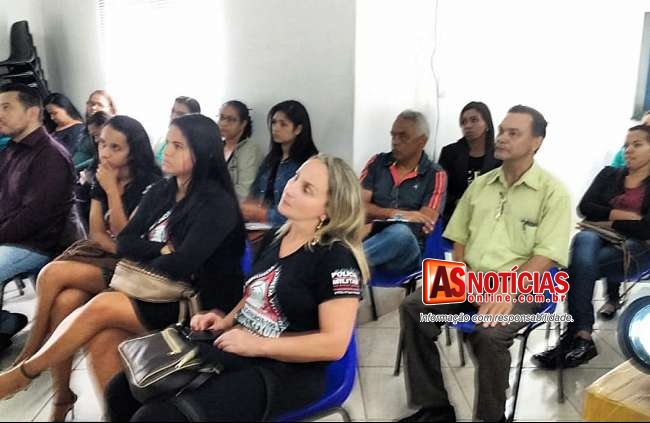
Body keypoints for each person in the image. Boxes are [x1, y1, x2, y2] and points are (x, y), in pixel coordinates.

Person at [0, 114, 246, 419]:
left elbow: (181, 265)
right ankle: (111, 414)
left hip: (198, 305)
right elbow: (125, 241)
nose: (167, 151)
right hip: (153, 289)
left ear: (204, 152)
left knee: (102, 304)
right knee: (100, 336)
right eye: (168, 143)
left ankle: (25, 372)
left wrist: (153, 255)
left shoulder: (216, 203)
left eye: (178, 146)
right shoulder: (163, 191)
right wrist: (160, 251)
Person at [104, 153, 369, 422]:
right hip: (244, 345)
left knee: (158, 417)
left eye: (307, 189)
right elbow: (256, 293)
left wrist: (259, 345)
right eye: (296, 177)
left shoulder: (335, 258)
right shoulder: (276, 237)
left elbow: (334, 344)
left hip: (287, 370)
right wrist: (225, 320)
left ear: (328, 210)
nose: (291, 187)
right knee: (120, 391)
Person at [398, 105, 571, 422]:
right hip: (471, 277)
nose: (502, 137)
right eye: (502, 130)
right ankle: (435, 408)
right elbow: (459, 238)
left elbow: (545, 255)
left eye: (513, 133)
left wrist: (507, 292)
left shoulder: (553, 193)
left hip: (524, 285)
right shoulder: (480, 185)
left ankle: (492, 417)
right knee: (413, 307)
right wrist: (462, 277)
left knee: (489, 333)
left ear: (536, 142)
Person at [10, 115, 161, 420]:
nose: (105, 152)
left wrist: (113, 192)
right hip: (106, 257)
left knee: (52, 273)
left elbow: (128, 240)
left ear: (133, 151)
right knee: (64, 302)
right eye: (102, 144)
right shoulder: (100, 175)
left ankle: (30, 355)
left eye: (115, 147)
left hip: (135, 268)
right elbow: (96, 235)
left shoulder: (151, 184)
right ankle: (62, 396)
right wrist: (112, 233)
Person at [532, 124, 650, 370]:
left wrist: (607, 218)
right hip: (598, 237)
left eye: (637, 144)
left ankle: (578, 335)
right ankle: (581, 337)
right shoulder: (609, 174)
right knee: (584, 240)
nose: (628, 150)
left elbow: (646, 229)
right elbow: (585, 207)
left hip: (636, 250)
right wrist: (625, 217)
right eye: (626, 145)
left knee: (578, 267)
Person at [0, 82, 76, 296]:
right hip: (10, 237)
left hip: (34, 244)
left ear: (32, 112)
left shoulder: (50, 156)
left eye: (6, 107)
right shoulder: (11, 150)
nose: (0, 114)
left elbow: (35, 217)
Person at [360, 110, 447, 275]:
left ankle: (346, 264)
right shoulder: (377, 163)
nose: (395, 142)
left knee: (401, 233)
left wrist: (374, 224)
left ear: (422, 141)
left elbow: (422, 224)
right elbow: (358, 207)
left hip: (406, 251)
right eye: (393, 135)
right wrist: (396, 214)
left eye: (403, 137)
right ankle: (348, 265)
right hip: (369, 240)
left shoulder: (435, 175)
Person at [242, 100, 318, 225]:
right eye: (273, 122)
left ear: (298, 129)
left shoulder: (308, 164)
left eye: (283, 124)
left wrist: (264, 214)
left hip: (287, 228)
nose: (275, 128)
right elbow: (254, 194)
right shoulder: (270, 160)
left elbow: (303, 211)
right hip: (258, 226)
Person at [438, 101, 501, 225]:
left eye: (474, 120)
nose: (468, 126)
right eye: (463, 122)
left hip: (490, 219)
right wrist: (459, 203)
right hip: (455, 217)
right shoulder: (450, 153)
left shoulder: (500, 156)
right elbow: (441, 189)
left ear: (487, 124)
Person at [219, 100, 262, 199]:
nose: (223, 123)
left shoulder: (250, 150)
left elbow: (244, 192)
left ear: (243, 124)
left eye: (231, 120)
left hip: (231, 205)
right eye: (222, 117)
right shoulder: (216, 146)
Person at [153, 96, 201, 164]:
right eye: (173, 111)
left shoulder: (194, 150)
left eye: (180, 114)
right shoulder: (161, 141)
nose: (173, 117)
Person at [44, 92, 90, 162]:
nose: (52, 117)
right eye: (50, 114)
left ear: (65, 108)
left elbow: (69, 153)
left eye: (55, 113)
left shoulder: (79, 129)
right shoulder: (51, 127)